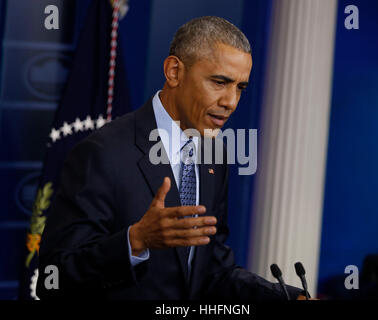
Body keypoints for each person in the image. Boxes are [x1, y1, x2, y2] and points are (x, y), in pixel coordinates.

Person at [37, 16, 304, 300]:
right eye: (219, 82)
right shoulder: (102, 153)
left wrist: (287, 298)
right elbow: (54, 278)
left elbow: (212, 272)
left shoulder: (214, 153)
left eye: (240, 87)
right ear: (174, 71)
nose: (231, 102)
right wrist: (135, 241)